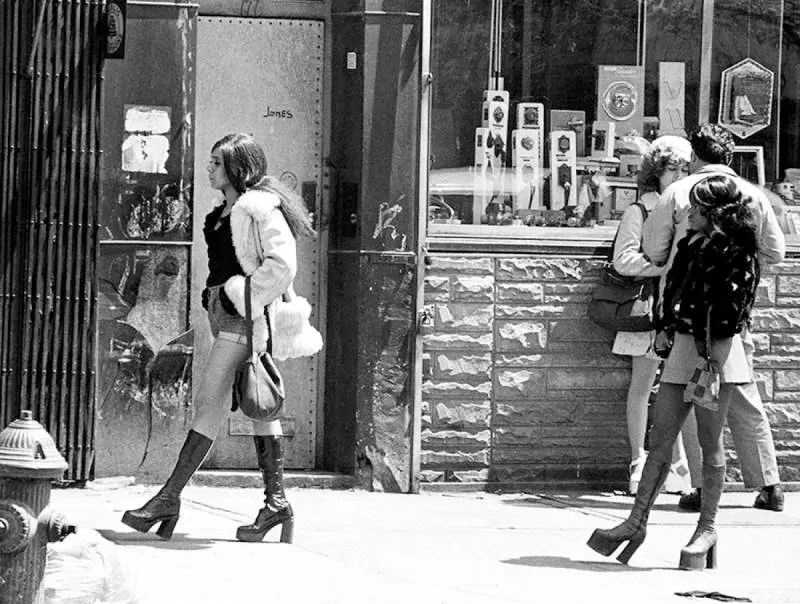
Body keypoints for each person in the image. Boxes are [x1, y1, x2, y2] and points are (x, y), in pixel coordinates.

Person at [121, 132, 316, 541]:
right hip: (227, 318)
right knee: (260, 409)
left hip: (245, 320)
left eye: (216, 163)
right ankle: (276, 504)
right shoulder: (224, 210)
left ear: (236, 168)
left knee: (209, 403)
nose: (209, 168)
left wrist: (239, 295)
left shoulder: (259, 208)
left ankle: (168, 499)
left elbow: (282, 266)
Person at [588, 173, 762, 570]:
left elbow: (736, 313)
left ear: (714, 213)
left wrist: (710, 357)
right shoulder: (689, 244)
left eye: (697, 207)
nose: (689, 211)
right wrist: (665, 328)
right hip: (684, 347)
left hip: (716, 353)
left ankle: (707, 528)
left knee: (709, 442)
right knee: (660, 438)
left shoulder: (738, 251)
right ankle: (636, 521)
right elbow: (672, 293)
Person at [642, 123, 785, 513]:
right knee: (740, 391)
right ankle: (768, 482)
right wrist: (740, 265)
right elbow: (776, 251)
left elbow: (653, 249)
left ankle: (706, 491)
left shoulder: (679, 192)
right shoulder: (754, 194)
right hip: (734, 313)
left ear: (695, 157)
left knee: (693, 394)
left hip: (687, 312)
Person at [611, 135, 692, 496]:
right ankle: (638, 460)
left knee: (677, 390)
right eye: (671, 169)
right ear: (655, 173)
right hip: (647, 310)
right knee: (642, 388)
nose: (677, 175)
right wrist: (664, 269)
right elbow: (623, 259)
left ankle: (677, 465)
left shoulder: (691, 209)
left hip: (682, 311)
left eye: (684, 169)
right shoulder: (639, 211)